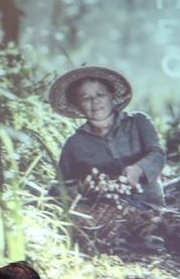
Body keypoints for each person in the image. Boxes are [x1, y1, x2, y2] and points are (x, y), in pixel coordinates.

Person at [51, 65, 166, 208]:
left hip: (149, 206)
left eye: (100, 95)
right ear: (78, 106)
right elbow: (59, 187)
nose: (95, 101)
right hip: (102, 213)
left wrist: (138, 169)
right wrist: (80, 189)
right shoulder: (74, 144)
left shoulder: (138, 122)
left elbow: (157, 155)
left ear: (111, 97)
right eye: (86, 98)